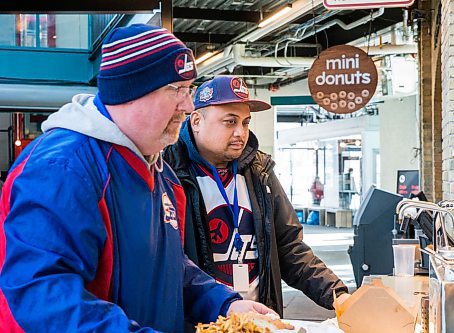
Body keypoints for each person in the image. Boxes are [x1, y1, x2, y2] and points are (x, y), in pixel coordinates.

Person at [0, 25, 273, 333]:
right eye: (177, 90)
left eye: (189, 90)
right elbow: (41, 297)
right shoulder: (62, 168)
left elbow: (168, 268)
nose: (188, 105)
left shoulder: (162, 174)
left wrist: (223, 303)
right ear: (132, 92)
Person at [164, 75, 350, 317]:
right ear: (197, 121)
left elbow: (289, 248)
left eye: (245, 122)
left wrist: (338, 296)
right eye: (230, 122)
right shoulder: (168, 172)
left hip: (260, 320)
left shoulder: (260, 173)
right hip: (200, 322)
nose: (240, 133)